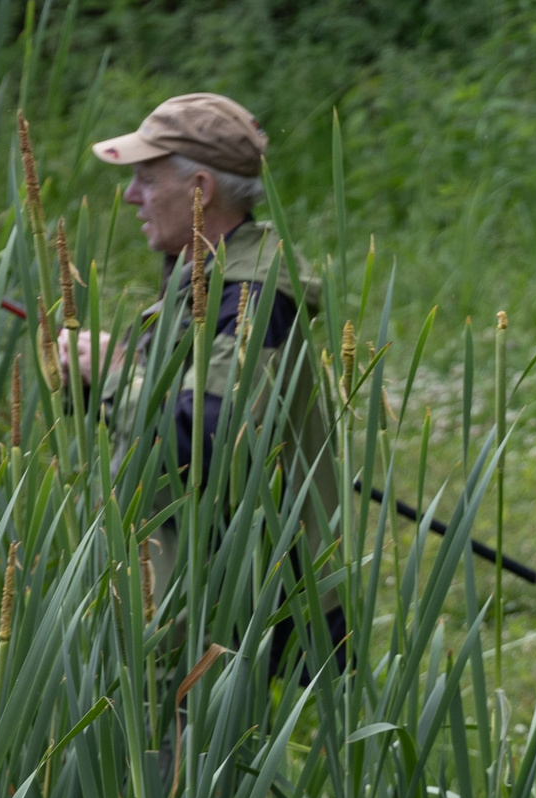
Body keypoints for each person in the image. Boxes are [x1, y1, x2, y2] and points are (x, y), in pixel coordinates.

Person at [59, 92, 340, 660]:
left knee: (190, 751)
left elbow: (207, 438)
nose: (131, 196)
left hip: (229, 608)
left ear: (200, 190)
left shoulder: (252, 296)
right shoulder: (207, 276)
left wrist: (113, 378)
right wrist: (103, 375)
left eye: (145, 179)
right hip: (200, 590)